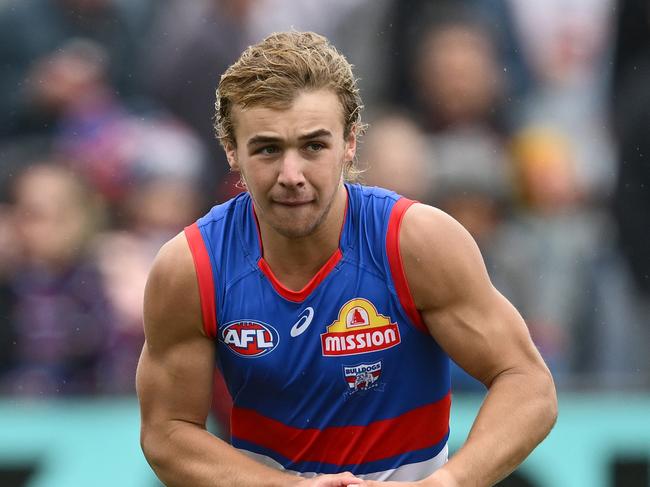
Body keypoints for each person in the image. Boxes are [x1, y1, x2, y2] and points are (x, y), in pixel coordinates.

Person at [136, 31, 557, 486]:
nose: (291, 175)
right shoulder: (192, 267)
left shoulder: (416, 242)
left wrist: (447, 483)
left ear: (350, 142)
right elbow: (167, 433)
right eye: (268, 149)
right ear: (231, 151)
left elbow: (529, 384)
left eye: (314, 146)